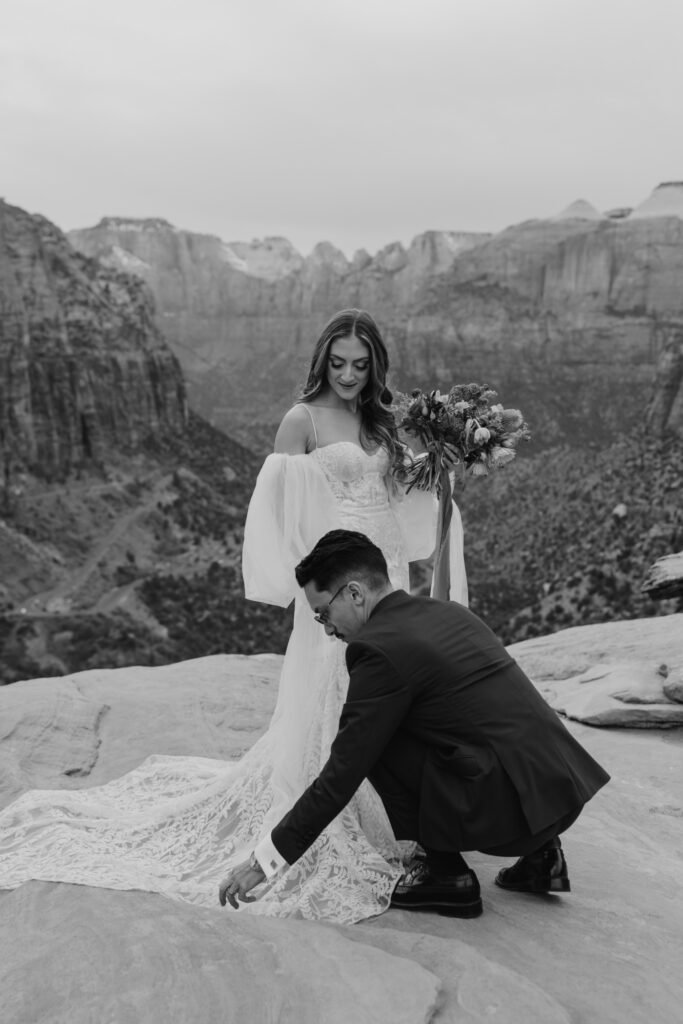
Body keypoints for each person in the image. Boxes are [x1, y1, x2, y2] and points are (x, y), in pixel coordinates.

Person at [0, 309, 466, 925]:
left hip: (386, 571)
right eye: (338, 363)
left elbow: (396, 496)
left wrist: (445, 464)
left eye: (360, 364)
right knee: (338, 689)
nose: (349, 376)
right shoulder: (301, 420)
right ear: (322, 360)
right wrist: (313, 590)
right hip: (338, 577)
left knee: (388, 689)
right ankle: (329, 815)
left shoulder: (379, 420)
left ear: (375, 364)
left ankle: (392, 809)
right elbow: (280, 512)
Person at [219, 529, 610, 918]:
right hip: (560, 791)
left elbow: (341, 776)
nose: (326, 628)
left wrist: (262, 863)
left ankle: (447, 877)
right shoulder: (451, 612)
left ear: (355, 593)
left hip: (507, 817)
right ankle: (544, 859)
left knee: (372, 743)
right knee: (460, 721)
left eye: (323, 613)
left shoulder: (376, 650)